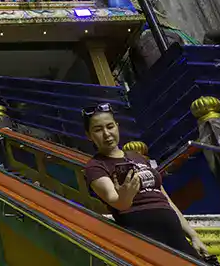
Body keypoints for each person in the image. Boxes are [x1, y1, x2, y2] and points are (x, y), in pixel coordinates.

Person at [82, 103, 211, 260]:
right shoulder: (95, 167)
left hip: (173, 230)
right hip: (143, 233)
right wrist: (126, 194)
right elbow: (118, 203)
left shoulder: (138, 157)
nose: (107, 134)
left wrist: (193, 235)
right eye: (98, 130)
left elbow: (165, 199)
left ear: (117, 126)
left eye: (110, 126)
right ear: (89, 135)